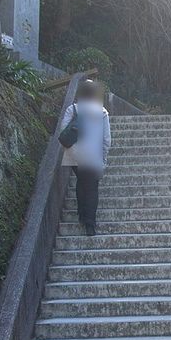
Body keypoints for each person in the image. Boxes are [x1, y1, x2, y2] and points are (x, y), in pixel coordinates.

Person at [58, 79, 111, 236]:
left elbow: (62, 132)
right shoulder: (102, 112)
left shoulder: (72, 109)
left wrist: (72, 150)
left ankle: (81, 215)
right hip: (93, 155)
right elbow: (107, 139)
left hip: (74, 155)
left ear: (81, 93)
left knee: (81, 181)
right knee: (92, 187)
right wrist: (104, 157)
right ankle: (90, 223)